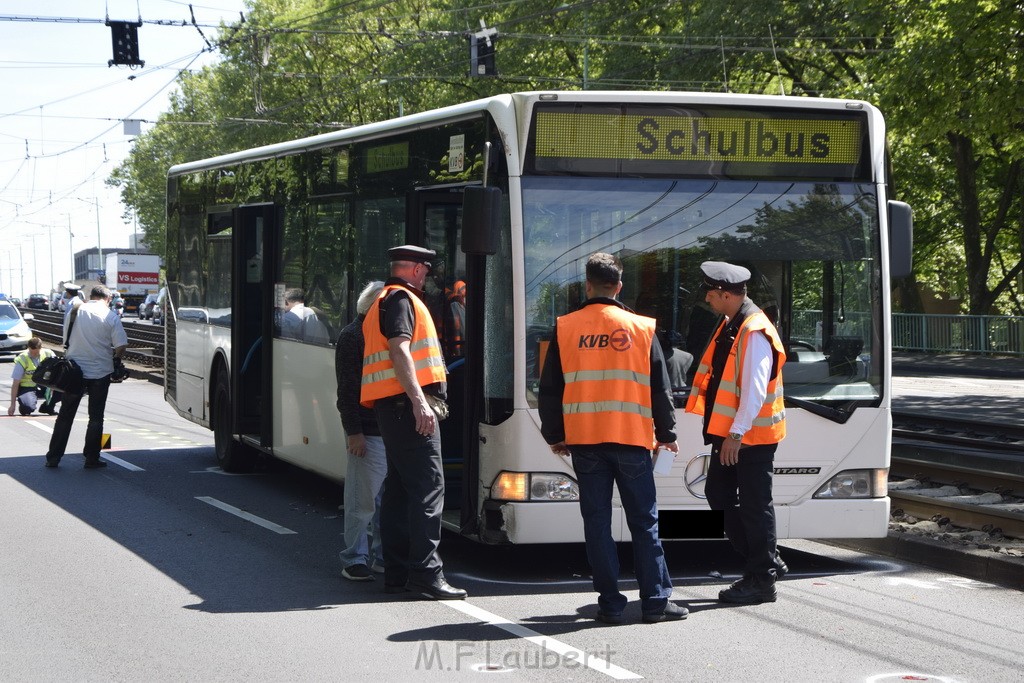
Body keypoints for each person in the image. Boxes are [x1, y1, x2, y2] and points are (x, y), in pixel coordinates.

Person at [538, 252, 687, 624]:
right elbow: (660, 389)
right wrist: (667, 434)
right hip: (632, 440)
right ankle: (655, 601)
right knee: (644, 522)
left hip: (585, 442)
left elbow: (550, 389)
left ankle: (610, 604)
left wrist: (556, 434)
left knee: (597, 525)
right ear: (619, 286)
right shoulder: (641, 328)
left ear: (587, 285)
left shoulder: (566, 327)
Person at [360, 245, 467, 600]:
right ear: (418, 269)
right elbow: (399, 349)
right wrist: (420, 401)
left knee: (400, 491)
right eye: (427, 269)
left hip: (393, 409)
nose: (428, 275)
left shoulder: (385, 299)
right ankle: (426, 574)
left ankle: (398, 573)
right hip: (409, 408)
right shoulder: (402, 299)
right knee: (429, 489)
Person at [685, 261, 788, 604]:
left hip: (749, 437)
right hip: (733, 435)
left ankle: (761, 579)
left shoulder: (754, 329)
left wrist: (737, 434)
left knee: (755, 506)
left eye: (710, 295)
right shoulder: (733, 322)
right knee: (720, 495)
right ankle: (766, 561)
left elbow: (755, 390)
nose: (707, 301)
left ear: (725, 294)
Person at [335, 280, 387, 582]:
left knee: (384, 502)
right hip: (367, 432)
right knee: (362, 501)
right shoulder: (354, 336)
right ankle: (355, 558)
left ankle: (381, 557)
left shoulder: (383, 334)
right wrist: (353, 433)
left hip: (390, 431)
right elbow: (347, 391)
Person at [44, 285, 128, 469]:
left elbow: (65, 340)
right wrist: (116, 359)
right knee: (96, 417)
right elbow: (121, 345)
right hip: (100, 372)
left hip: (73, 372)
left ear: (91, 296)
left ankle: (53, 458)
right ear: (107, 298)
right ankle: (91, 458)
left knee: (65, 416)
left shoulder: (74, 312)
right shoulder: (110, 316)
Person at [8, 337, 60, 416]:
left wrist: (54, 385)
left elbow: (58, 371)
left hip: (45, 386)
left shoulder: (48, 354)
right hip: (28, 387)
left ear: (41, 348)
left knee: (67, 388)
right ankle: (24, 404)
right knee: (27, 408)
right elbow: (15, 383)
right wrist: (12, 405)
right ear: (28, 348)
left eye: (36, 353)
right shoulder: (23, 358)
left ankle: (48, 407)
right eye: (31, 352)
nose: (33, 355)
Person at [445, 280, 466, 359]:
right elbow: (456, 328)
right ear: (458, 291)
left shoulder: (464, 304)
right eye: (463, 288)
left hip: (465, 344)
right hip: (460, 345)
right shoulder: (454, 305)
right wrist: (457, 351)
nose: (466, 290)